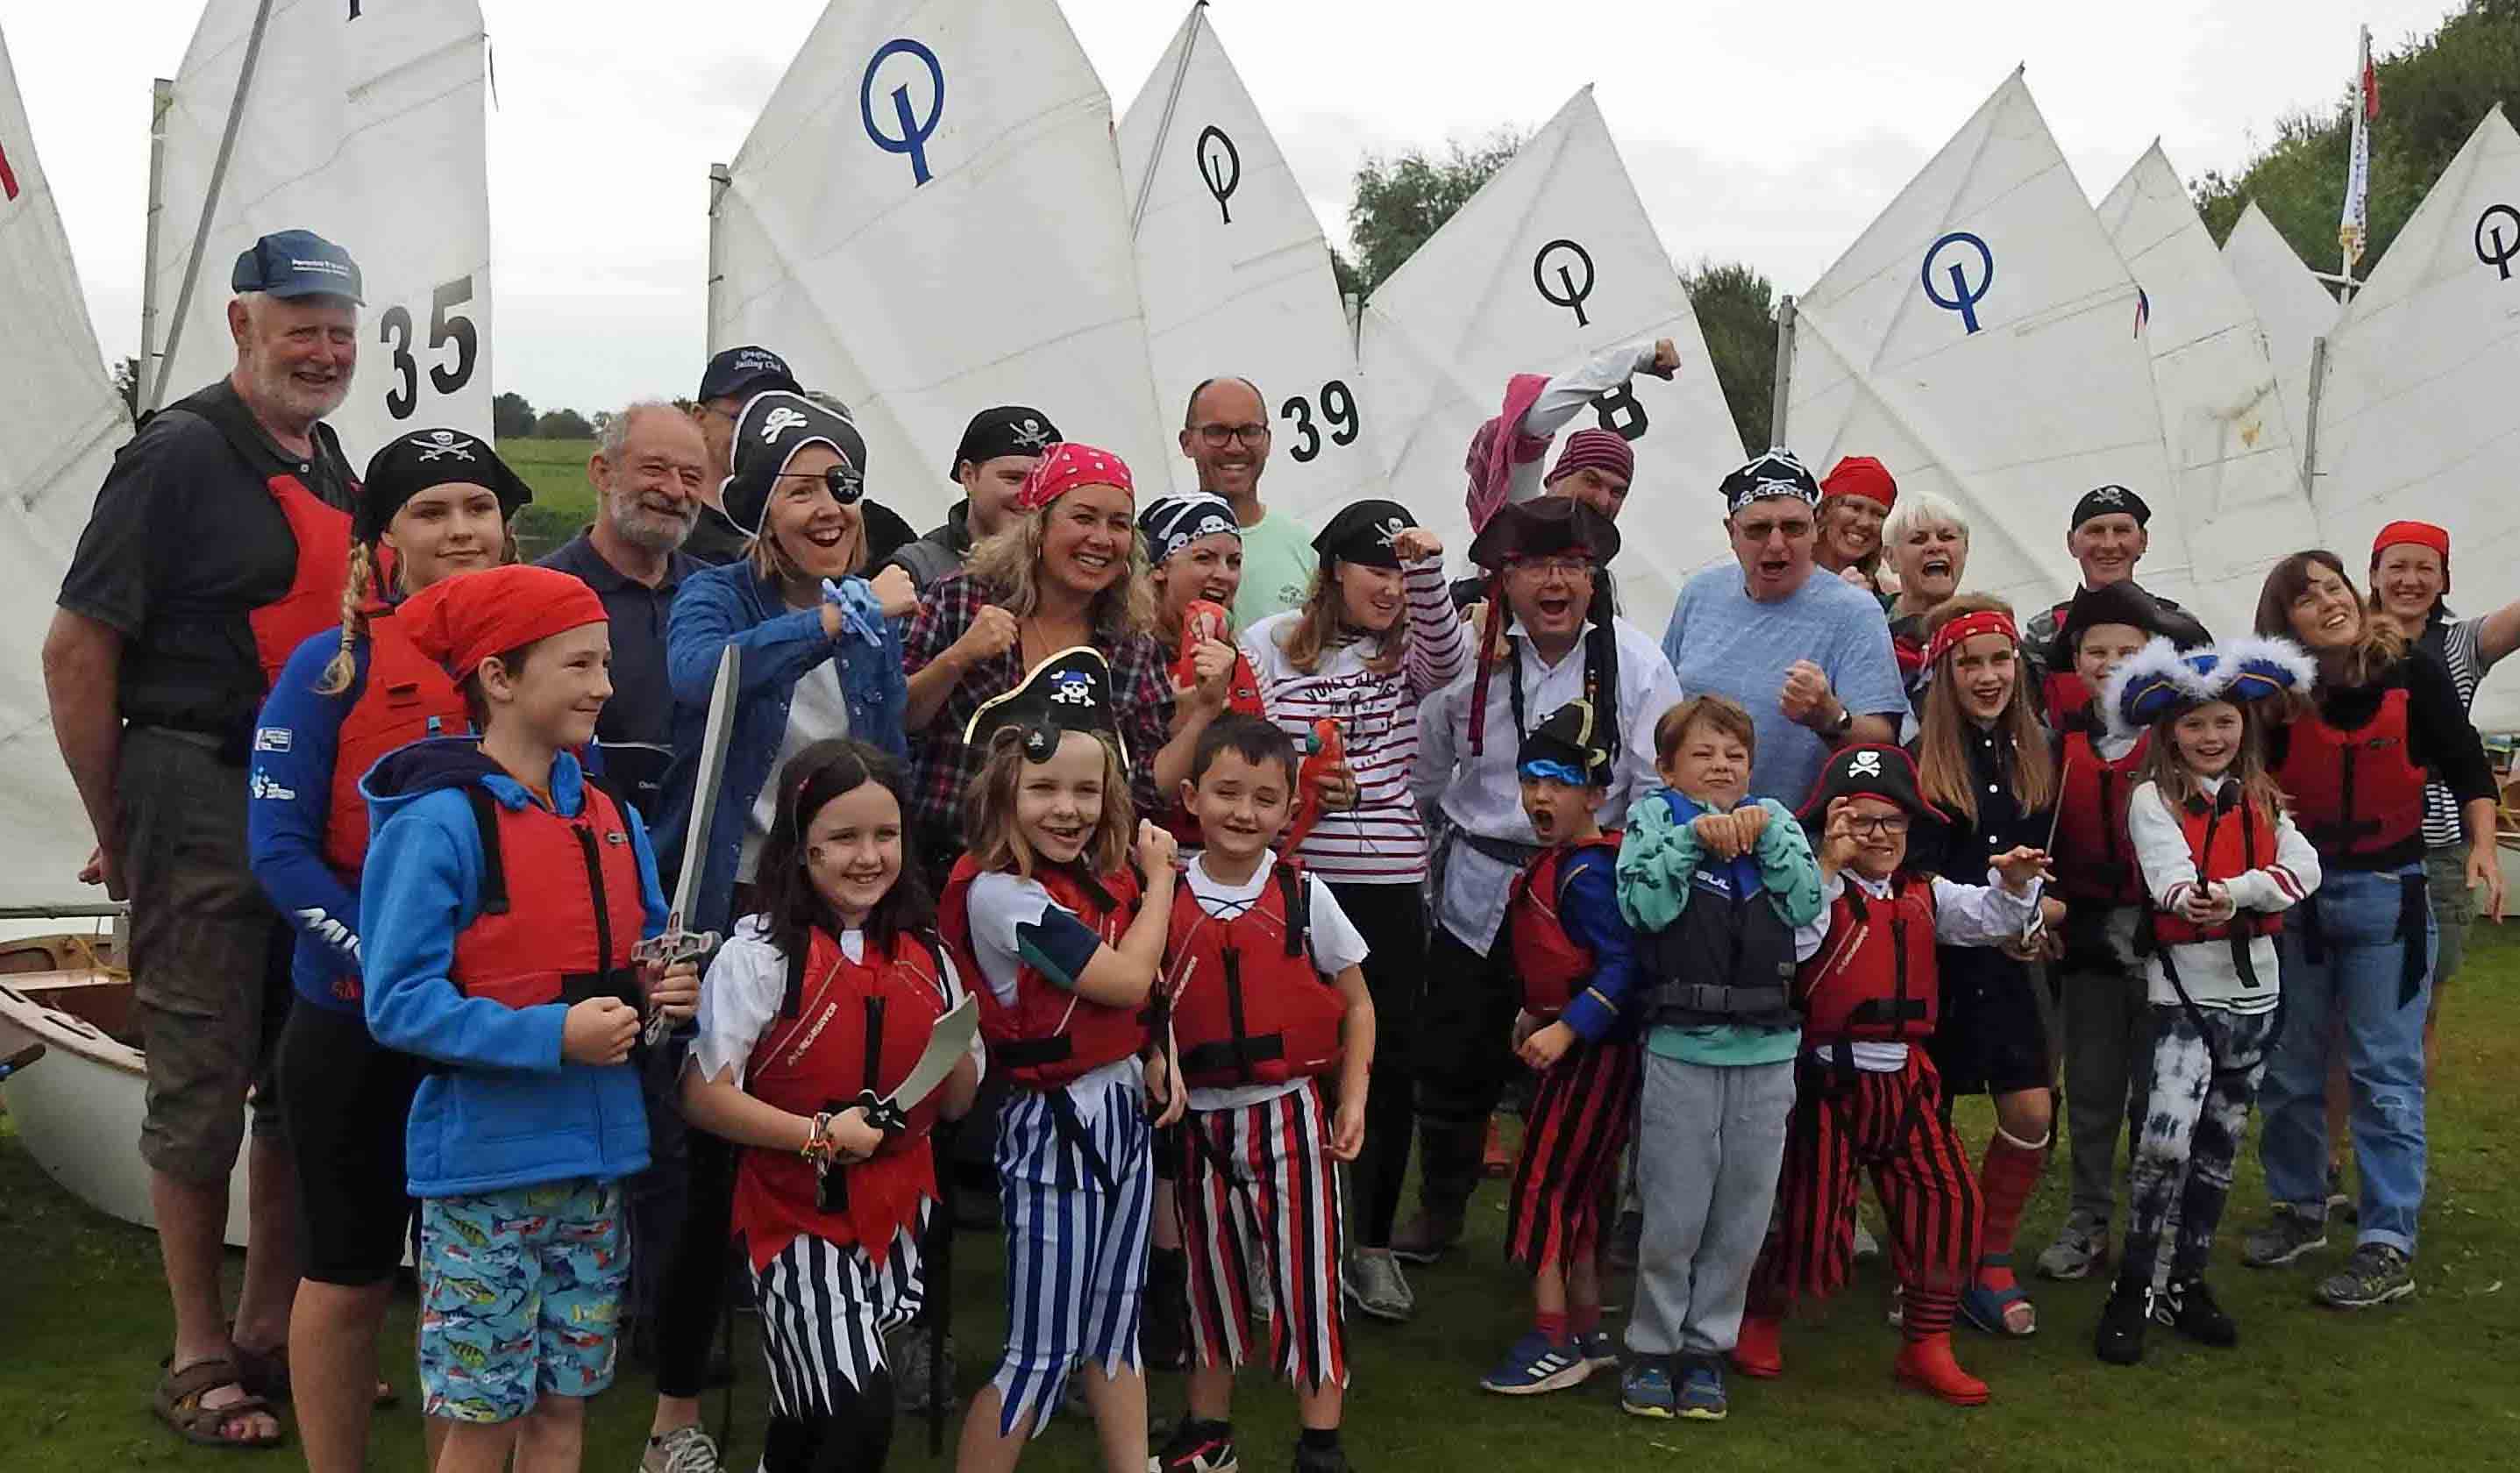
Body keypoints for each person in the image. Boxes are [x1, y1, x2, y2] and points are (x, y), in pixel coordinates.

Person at [45, 228, 365, 1450]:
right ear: (242, 324)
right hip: (192, 789)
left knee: (299, 1080)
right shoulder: (176, 455)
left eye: (337, 327)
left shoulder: (332, 459)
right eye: (300, 324)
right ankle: (194, 1351)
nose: (323, 348)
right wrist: (114, 821)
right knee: (198, 1084)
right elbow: (79, 647)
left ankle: (272, 1329)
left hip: (300, 808)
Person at [358, 563, 701, 1473]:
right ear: (499, 679)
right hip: (485, 1178)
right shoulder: (436, 825)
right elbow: (397, 1003)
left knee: (563, 1405)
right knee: (482, 1417)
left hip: (597, 1165)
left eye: (606, 664)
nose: (604, 686)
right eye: (579, 666)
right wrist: (551, 1036)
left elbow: (641, 956)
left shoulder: (614, 818)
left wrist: (667, 993)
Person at [247, 429, 530, 1469]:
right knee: (349, 1272)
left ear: (507, 525)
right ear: (385, 542)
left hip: (492, 1030)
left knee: (475, 1277)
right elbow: (277, 850)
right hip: (352, 1017)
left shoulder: (538, 660)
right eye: (430, 511)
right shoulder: (332, 667)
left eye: (476, 508)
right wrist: (390, 968)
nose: (460, 529)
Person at [640, 389, 911, 1472]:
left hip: (838, 909)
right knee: (707, 1168)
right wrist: (832, 621)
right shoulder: (716, 594)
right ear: (756, 505)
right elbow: (703, 679)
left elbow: (880, 749)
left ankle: (828, 1374)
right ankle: (674, 1418)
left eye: (841, 483)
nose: (829, 505)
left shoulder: (871, 610)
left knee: (854, 1126)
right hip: (728, 909)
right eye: (801, 487)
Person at [679, 738, 984, 1472]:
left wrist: (954, 1063)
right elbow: (703, 1095)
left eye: (885, 836)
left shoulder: (926, 951)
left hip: (896, 1214)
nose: (868, 857)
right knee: (858, 1413)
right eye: (843, 838)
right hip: (793, 1218)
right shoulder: (757, 955)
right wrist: (817, 1134)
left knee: (808, 1415)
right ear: (802, 844)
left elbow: (954, 1101)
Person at [1400, 498, 1681, 1263]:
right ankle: (1444, 1206)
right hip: (1482, 884)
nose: (1554, 582)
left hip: (1587, 887)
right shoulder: (1472, 662)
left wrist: (1625, 877)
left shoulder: (1638, 660)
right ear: (1505, 580)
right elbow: (1426, 775)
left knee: (1590, 1053)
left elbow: (1658, 785)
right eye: (1534, 567)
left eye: (1571, 566)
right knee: (1457, 1047)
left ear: (1593, 579)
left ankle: (1580, 1217)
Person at [1735, 744, 2047, 1407]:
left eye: (1893, 823)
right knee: (1811, 1223)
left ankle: (1927, 1345)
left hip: (1906, 1084)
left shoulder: (1924, 895)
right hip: (1828, 1084)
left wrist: (2016, 883)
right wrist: (1825, 864)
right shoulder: (1811, 891)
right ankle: (1762, 1318)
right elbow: (1790, 941)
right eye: (1862, 820)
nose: (1879, 836)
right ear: (1830, 823)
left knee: (1949, 1204)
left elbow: (1993, 917)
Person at [936, 649, 1179, 1473]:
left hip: (1118, 1114)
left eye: (1086, 791)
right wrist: (1163, 883)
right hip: (1056, 1125)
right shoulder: (1000, 894)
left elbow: (1143, 1001)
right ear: (1003, 793)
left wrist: (1157, 1052)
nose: (1068, 811)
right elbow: (1124, 976)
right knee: (1041, 1351)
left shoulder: (1094, 879)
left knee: (1116, 1326)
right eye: (1044, 790)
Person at [2241, 551, 2503, 1310]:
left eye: (2333, 586)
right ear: (2283, 619)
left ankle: (2388, 1242)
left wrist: (2484, 848)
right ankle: (2299, 1207)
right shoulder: (2277, 695)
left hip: (2390, 898)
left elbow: (2468, 766)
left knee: (2384, 1075)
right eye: (2306, 596)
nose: (2328, 601)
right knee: (2291, 1069)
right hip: (2300, 902)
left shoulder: (2413, 675)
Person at [1242, 498, 1467, 1320]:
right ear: (1334, 568)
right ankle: (1274, 1244)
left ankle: (1369, 1246)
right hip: (1295, 877)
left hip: (1388, 882)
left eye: (1402, 573)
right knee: (1283, 1063)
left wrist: (1429, 567)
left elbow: (1449, 664)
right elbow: (1243, 745)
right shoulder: (1268, 643)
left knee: (1389, 1064)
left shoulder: (1410, 649)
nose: (1393, 588)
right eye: (1379, 567)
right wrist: (1300, 782)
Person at [1151, 715, 1374, 1473]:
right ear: (1192, 797)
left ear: (1289, 810)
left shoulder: (1305, 894)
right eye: (1227, 793)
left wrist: (1354, 1098)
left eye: (1264, 798)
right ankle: (1206, 1430)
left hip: (1290, 1118)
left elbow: (1358, 1003)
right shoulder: (1165, 898)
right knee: (1205, 1285)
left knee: (1306, 1277)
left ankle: (1321, 1442)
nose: (1244, 813)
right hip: (1200, 1128)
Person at [2092, 635, 2320, 1365]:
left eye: (2224, 722)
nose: (2212, 736)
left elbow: (2303, 868)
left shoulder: (2265, 800)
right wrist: (2226, 894)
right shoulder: (2150, 800)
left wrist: (2240, 892)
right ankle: (2134, 1285)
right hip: (2184, 991)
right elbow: (2173, 886)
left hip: (2257, 995)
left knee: (2220, 1145)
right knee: (2163, 1140)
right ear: (2168, 734)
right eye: (2195, 725)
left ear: (2243, 727)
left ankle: (2186, 1279)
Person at [1612, 695, 1826, 1422]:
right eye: (1703, 754)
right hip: (1684, 1046)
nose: (1722, 766)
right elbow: (1643, 909)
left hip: (1767, 1049)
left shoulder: (1779, 822)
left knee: (1742, 1210)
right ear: (1670, 769)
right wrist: (1693, 842)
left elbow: (1804, 904)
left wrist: (1764, 840)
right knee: (1674, 1205)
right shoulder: (1653, 820)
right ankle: (1652, 1344)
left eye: (1734, 754)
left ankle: (1707, 1348)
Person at [2032, 582, 2211, 1284]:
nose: (2110, 663)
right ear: (2074, 661)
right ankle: (2089, 1217)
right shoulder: (2058, 740)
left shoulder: (2180, 736)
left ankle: (2155, 1221)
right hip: (2084, 936)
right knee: (2095, 1083)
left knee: (2160, 1088)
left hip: (2168, 942)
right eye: (2095, 651)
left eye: (2127, 652)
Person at [903, 442, 1171, 883]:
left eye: (1119, 524)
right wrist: (958, 658)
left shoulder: (1131, 640)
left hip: (1072, 885)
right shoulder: (960, 599)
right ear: (1037, 526)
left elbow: (1141, 783)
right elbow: (897, 719)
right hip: (947, 868)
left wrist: (1201, 712)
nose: (1101, 539)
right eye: (1083, 518)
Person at [1906, 598, 2063, 1338]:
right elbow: (1914, 884)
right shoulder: (1918, 763)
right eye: (1970, 662)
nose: (1989, 675)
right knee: (1924, 1127)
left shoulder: (2038, 753)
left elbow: (2053, 881)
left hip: (2005, 964)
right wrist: (2002, 908)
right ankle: (1930, 1264)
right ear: (1944, 673)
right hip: (1930, 967)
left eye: (2000, 660)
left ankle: (1990, 1256)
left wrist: (2029, 919)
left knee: (2031, 1108)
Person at [1478, 701, 1642, 1398]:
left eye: (1557, 781)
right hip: (1567, 1047)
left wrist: (1566, 1027)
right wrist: (1532, 1012)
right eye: (1531, 779)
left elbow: (1622, 966)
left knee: (1546, 1187)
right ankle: (1583, 1326)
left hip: (1591, 1058)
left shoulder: (1591, 873)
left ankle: (1551, 1338)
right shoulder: (1562, 863)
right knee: (1574, 1191)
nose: (1539, 796)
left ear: (1596, 794)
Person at [1661, 449, 1907, 805]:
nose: (1776, 545)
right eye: (1759, 529)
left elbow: (1883, 742)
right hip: (1687, 830)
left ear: (1814, 530)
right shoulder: (1700, 593)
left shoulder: (1854, 613)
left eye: (1793, 528)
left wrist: (1829, 716)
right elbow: (1662, 708)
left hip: (1792, 842)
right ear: (1732, 532)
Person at [2364, 520, 2520, 1063]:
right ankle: (2332, 1143)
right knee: (2347, 1004)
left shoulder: (2463, 645)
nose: (2410, 580)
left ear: (2444, 579)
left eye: (2425, 568)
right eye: (2397, 567)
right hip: (2359, 840)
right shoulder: (2343, 641)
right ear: (2374, 574)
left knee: (2424, 1000)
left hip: (2442, 843)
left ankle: (2403, 1135)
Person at [537, 401, 713, 818]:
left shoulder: (716, 596)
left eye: (691, 478)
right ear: (602, 472)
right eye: (654, 469)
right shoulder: (543, 595)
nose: (674, 491)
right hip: (580, 840)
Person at [689, 346, 916, 571]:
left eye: (780, 416)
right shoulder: (674, 524)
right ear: (699, 419)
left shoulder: (877, 528)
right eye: (742, 416)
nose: (758, 429)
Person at [1462, 338, 1681, 534]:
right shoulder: (1521, 522)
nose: (1602, 502)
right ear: (1553, 479)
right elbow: (1530, 420)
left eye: (1617, 493)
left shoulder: (1596, 571)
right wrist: (1637, 356)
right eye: (1591, 481)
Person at [2020, 487, 2193, 728]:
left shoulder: (2179, 626)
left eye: (2121, 530)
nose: (2109, 544)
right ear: (2072, 543)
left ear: (2142, 541)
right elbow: (2024, 718)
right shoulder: (2044, 631)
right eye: (2095, 532)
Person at [1177, 377, 1315, 625]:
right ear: (1187, 443)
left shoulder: (1306, 548)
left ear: (1268, 440)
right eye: (1217, 432)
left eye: (1249, 432)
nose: (1234, 447)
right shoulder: (1159, 545)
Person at [885, 405, 1063, 593]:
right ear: (968, 476)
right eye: (1013, 478)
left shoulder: (1068, 567)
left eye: (1042, 481)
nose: (1029, 494)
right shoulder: (918, 570)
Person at [1880, 491, 1970, 711]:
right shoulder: (1869, 622)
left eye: (1947, 537)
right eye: (1918, 539)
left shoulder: (1988, 624)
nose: (1935, 547)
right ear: (1890, 558)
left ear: (1966, 548)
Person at [1813, 456, 1897, 597]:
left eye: (1878, 514)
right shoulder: (1781, 573)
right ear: (1826, 510)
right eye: (1855, 507)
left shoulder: (1885, 597)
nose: (1864, 523)